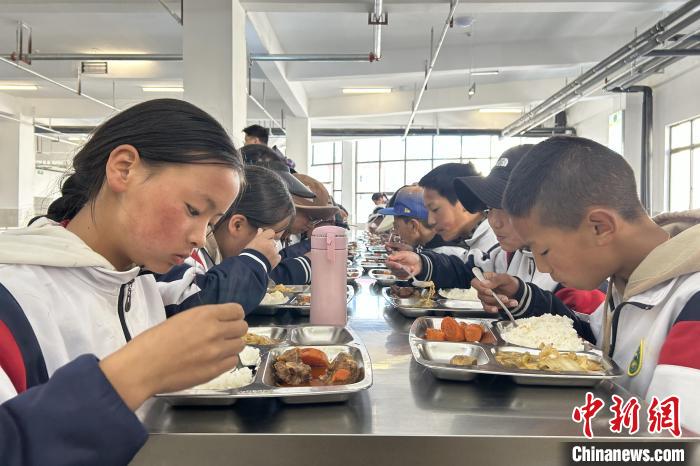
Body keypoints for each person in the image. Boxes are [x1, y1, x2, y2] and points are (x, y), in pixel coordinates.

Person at [0, 99, 250, 463]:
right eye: (193, 210)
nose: (200, 237)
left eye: (211, 223)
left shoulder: (139, 285)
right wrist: (135, 373)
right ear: (124, 168)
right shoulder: (13, 302)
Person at [473, 136, 700, 432]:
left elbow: (679, 444)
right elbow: (593, 344)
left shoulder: (691, 300)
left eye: (544, 251)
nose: (541, 267)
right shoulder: (628, 280)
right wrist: (524, 296)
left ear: (600, 227)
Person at [159, 166, 311, 289]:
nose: (275, 250)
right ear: (237, 225)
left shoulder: (214, 254)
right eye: (271, 239)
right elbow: (200, 297)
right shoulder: (190, 254)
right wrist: (255, 260)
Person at [378, 185, 466, 258]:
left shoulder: (445, 255)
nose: (395, 232)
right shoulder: (431, 244)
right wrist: (412, 251)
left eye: (396, 226)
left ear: (413, 226)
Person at [280, 173, 340, 260]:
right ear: (289, 208)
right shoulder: (267, 239)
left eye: (316, 220)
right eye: (311, 218)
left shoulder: (294, 236)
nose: (311, 226)